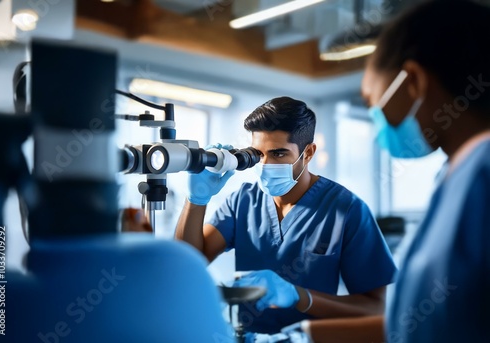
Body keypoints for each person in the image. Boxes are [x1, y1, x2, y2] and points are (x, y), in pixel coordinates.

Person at [175, 96, 397, 334]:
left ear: (308, 153)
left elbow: (378, 308)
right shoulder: (243, 200)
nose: (266, 164)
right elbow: (187, 264)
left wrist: (299, 297)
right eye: (258, 155)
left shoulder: (346, 210)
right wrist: (197, 200)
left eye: (279, 154)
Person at [356, 0, 490, 342]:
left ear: (412, 80)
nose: (377, 123)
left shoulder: (482, 169)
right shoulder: (456, 172)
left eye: (374, 105)